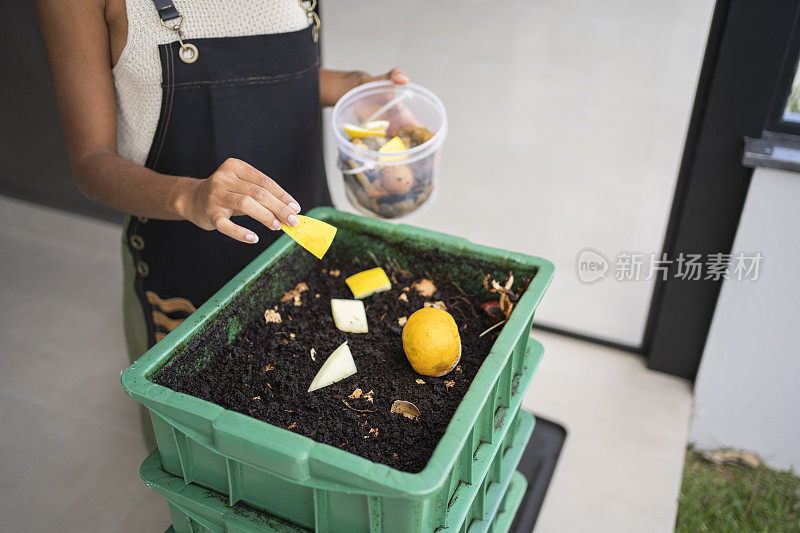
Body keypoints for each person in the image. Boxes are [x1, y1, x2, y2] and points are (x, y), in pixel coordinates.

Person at [37, 0, 408, 449]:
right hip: (185, 268)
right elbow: (90, 163)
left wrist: (360, 90)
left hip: (303, 246)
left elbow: (286, 77)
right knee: (208, 455)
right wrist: (189, 196)